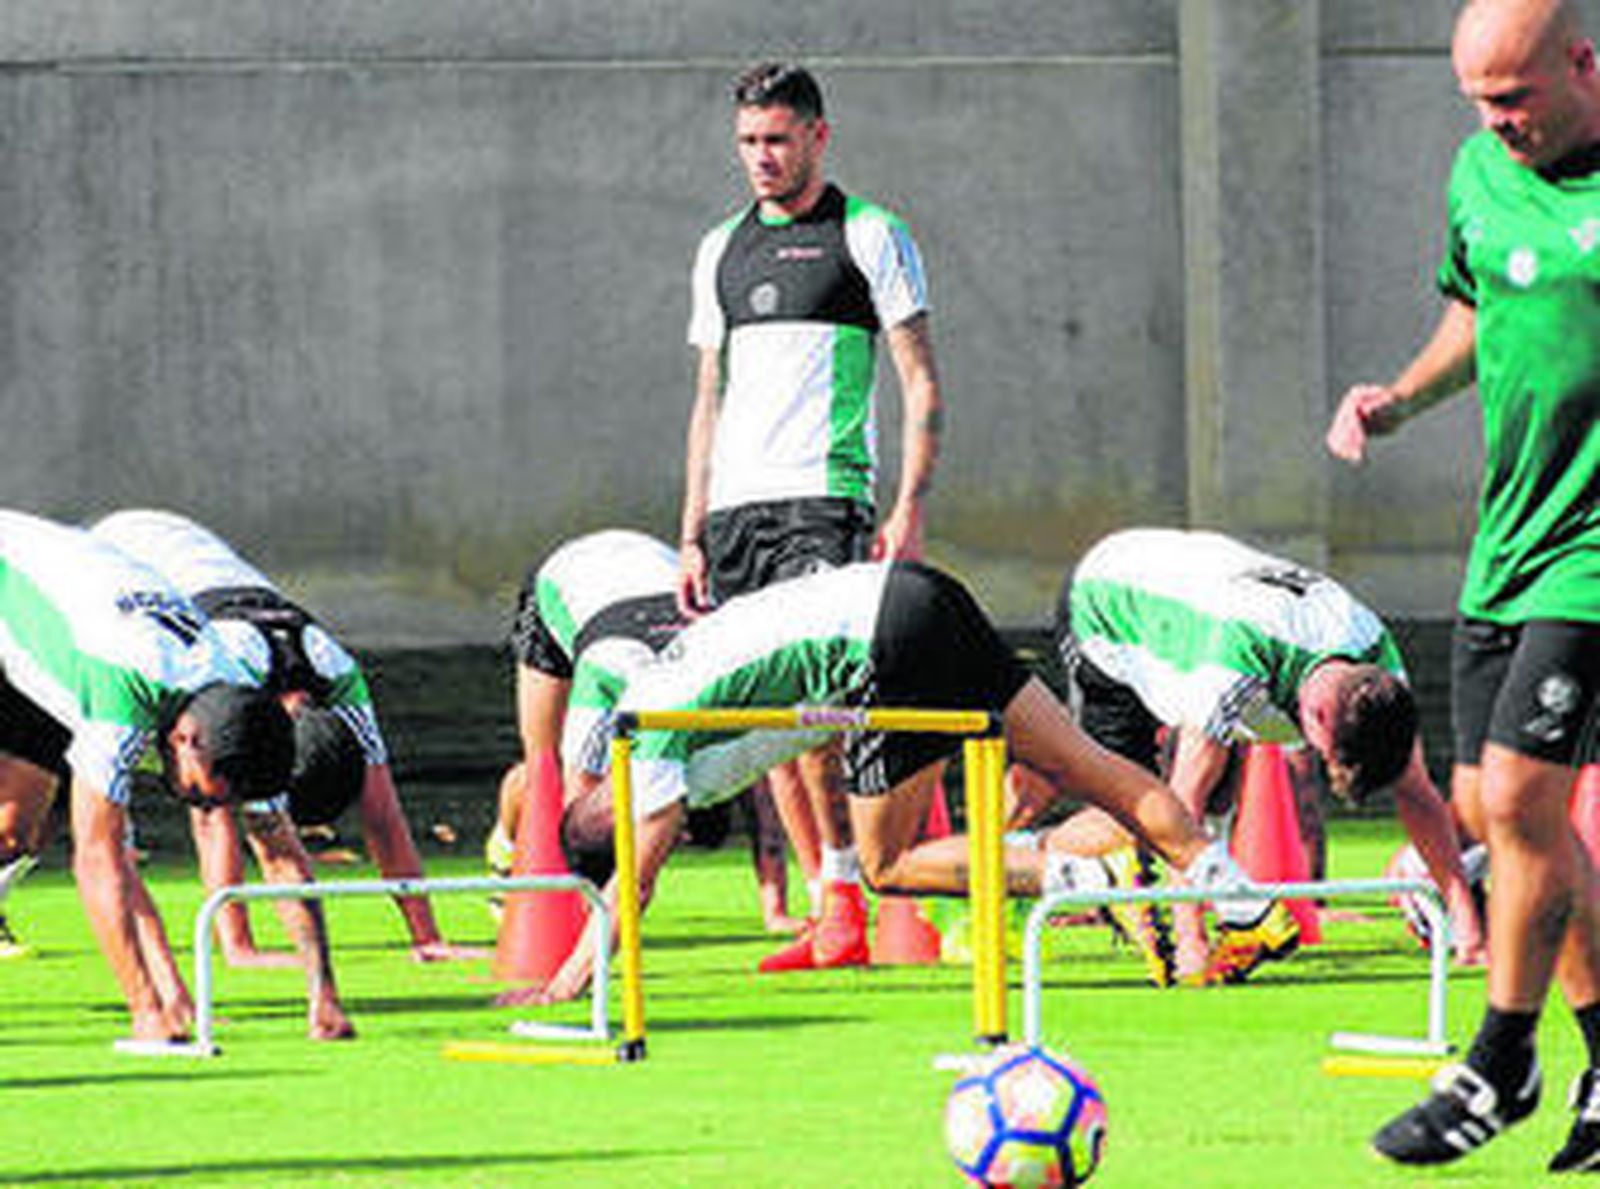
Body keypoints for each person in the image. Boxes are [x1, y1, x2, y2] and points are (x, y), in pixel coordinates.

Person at [501, 559, 1299, 1007]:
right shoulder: (661, 699)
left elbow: (635, 884)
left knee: (884, 867)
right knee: (1080, 765)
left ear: (601, 807)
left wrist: (568, 981)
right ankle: (1235, 889)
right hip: (923, 588)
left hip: (880, 641)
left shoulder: (645, 740)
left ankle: (1079, 870)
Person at [1325, 0, 1600, 1169]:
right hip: (1508, 537)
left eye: (1516, 97)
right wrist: (1398, 396)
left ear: (1582, 65)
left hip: (1592, 552)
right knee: (1494, 810)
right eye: (1479, 101)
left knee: (1529, 797)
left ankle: (1502, 1055)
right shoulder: (1477, 171)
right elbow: (1473, 310)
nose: (1498, 121)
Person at [676, 61, 948, 972]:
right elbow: (708, 399)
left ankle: (860, 888)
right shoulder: (720, 248)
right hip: (736, 514)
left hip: (823, 499)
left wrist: (908, 505)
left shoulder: (871, 235)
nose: (762, 157)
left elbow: (920, 383)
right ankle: (834, 900)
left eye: (778, 140)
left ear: (818, 137)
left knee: (816, 709)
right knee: (766, 715)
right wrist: (691, 528)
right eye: (749, 142)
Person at [1047, 528, 1487, 985]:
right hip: (1106, 604)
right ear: (1313, 720)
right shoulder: (1235, 659)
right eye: (1336, 758)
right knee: (1125, 815)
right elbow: (1180, 809)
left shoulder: (1375, 658)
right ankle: (1009, 869)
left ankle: (1083, 866)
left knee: (1207, 798)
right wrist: (1191, 943)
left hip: (1189, 605)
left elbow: (1417, 794)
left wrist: (1466, 928)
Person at [0, 510, 352, 1043]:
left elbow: (278, 852)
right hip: (29, 600)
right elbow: (98, 859)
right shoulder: (125, 692)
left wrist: (324, 997)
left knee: (12, 834)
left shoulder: (237, 690)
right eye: (200, 796)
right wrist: (146, 1009)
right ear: (184, 740)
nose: (208, 812)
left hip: (49, 624)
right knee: (78, 833)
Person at [89, 509, 478, 967]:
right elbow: (214, 813)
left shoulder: (340, 676)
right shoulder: (222, 673)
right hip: (118, 558)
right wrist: (241, 949)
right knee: (211, 795)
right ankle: (234, 940)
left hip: (196, 562)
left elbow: (382, 814)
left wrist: (427, 939)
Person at [495, 527, 801, 933]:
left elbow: (763, 808)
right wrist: (601, 906)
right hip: (567, 577)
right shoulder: (608, 672)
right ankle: (504, 847)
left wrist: (774, 910)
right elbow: (580, 808)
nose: (662, 845)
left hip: (651, 574)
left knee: (612, 782)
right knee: (545, 764)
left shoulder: (714, 701)